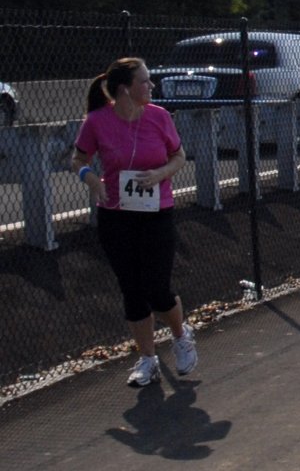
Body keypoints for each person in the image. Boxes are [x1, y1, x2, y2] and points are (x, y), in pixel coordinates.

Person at [72, 57, 198, 387]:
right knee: (131, 289)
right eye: (145, 81)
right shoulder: (97, 121)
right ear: (126, 89)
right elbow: (79, 158)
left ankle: (181, 335)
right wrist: (92, 179)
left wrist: (159, 173)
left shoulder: (158, 117)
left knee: (157, 288)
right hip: (116, 216)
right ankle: (147, 358)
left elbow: (179, 156)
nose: (151, 86)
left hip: (157, 213)